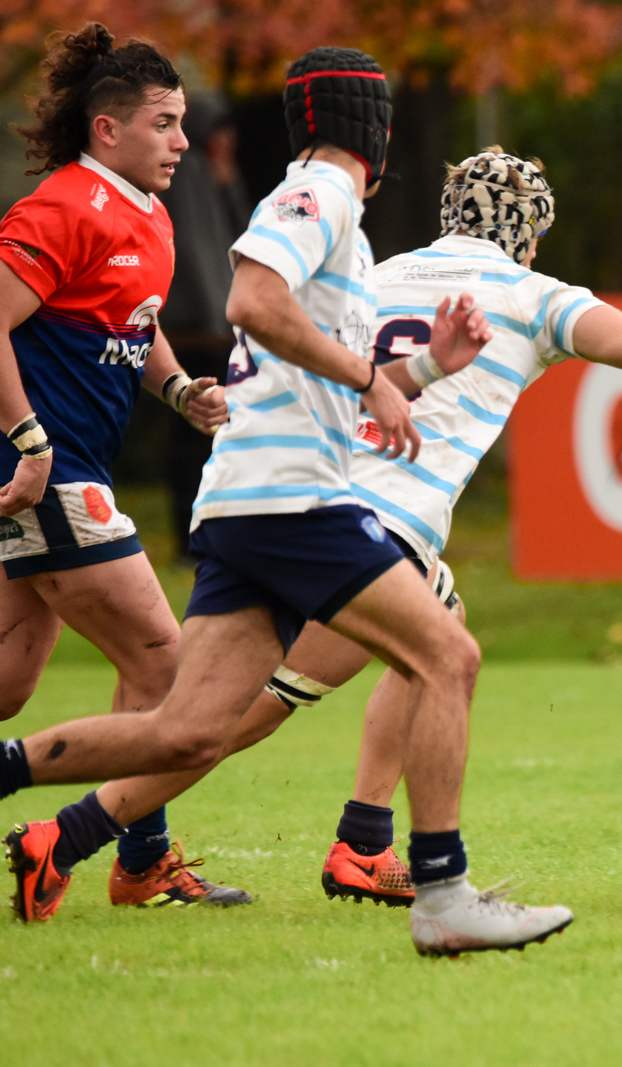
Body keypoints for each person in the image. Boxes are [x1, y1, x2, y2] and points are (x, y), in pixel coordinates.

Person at [27, 146, 622, 911]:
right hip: (364, 529)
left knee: (428, 632)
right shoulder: (531, 293)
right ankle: (70, 834)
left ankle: (360, 843)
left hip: (286, 497)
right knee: (229, 719)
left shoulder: (374, 272)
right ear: (530, 237)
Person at [0, 46, 568, 959]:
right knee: (445, 655)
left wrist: (415, 372)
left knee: (187, 726)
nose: (184, 138)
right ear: (368, 129)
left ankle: (56, 827)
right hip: (293, 499)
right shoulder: (321, 196)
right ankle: (441, 889)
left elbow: (300, 352)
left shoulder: (315, 209)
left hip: (249, 496)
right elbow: (254, 303)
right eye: (168, 122)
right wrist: (374, 381)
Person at [0, 24, 244, 911]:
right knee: (170, 674)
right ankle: (140, 862)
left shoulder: (147, 212)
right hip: (51, 474)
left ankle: (140, 862)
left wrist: (179, 389)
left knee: (9, 685)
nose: (183, 141)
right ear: (109, 130)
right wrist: (29, 438)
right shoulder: (63, 207)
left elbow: (130, 322)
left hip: (62, 473)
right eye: (165, 123)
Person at [160, 91, 250, 560]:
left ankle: (203, 535)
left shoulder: (211, 176)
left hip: (211, 322)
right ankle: (191, 537)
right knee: (196, 434)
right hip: (197, 326)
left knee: (203, 433)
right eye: (221, 132)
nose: (228, 141)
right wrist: (218, 316)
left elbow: (236, 240)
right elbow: (197, 253)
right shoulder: (188, 175)